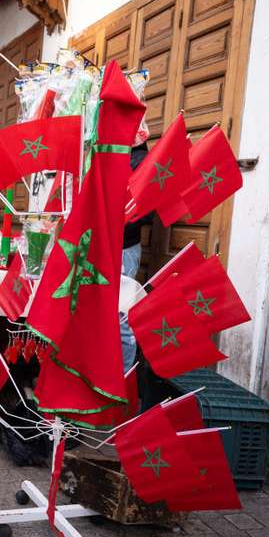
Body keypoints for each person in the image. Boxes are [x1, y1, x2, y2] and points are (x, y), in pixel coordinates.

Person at [120, 142, 154, 372]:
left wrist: (115, 221)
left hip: (123, 248)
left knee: (120, 316)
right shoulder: (114, 154)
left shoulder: (140, 159)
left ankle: (123, 381)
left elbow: (147, 209)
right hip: (105, 246)